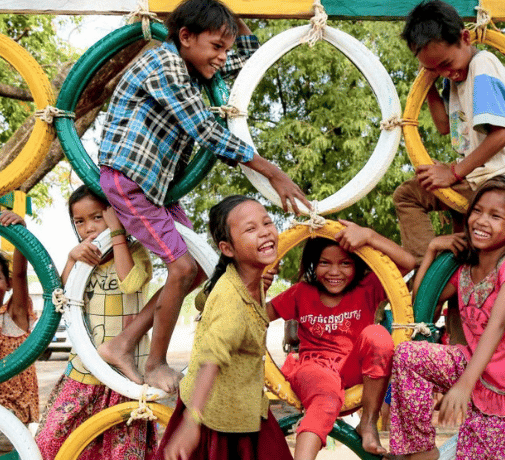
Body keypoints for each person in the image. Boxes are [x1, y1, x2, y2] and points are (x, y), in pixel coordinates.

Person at [96, 0, 309, 393]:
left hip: (155, 187)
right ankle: (156, 362)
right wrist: (273, 171)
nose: (222, 56)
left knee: (196, 268)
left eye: (223, 48)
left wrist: (229, 13)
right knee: (180, 267)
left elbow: (246, 52)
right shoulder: (166, 65)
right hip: (129, 179)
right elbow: (206, 130)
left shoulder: (194, 63)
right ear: (185, 37)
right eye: (215, 46)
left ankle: (123, 343)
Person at [389, 176, 505, 460]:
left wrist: (463, 386)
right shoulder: (465, 270)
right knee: (407, 355)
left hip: (503, 390)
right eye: (477, 211)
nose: (481, 221)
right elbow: (423, 307)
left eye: (495, 216)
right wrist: (433, 249)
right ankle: (421, 450)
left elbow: (496, 326)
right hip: (469, 365)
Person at [155, 195, 292, 460]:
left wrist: (261, 285)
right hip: (213, 417)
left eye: (267, 223)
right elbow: (211, 358)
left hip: (242, 407)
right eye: (250, 229)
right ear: (227, 249)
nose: (265, 233)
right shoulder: (231, 300)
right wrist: (192, 422)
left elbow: (201, 300)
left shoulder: (246, 279)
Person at [394, 0, 505, 265]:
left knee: (407, 196)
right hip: (477, 178)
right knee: (465, 259)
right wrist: (429, 84)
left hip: (500, 181)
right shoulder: (456, 77)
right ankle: (438, 278)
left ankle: (423, 265)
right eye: (433, 68)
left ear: (465, 38)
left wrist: (454, 173)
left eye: (446, 63)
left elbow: (501, 134)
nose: (445, 72)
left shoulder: (482, 66)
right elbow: (445, 127)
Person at [266, 221, 415, 459]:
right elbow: (257, 316)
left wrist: (369, 236)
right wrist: (259, 284)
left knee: (378, 335)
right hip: (313, 368)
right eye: (325, 263)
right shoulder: (302, 292)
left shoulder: (367, 289)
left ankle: (368, 422)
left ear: (357, 264)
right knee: (324, 397)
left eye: (345, 263)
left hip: (351, 368)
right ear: (314, 264)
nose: (335, 272)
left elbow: (408, 262)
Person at [35, 186, 157, 460]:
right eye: (80, 221)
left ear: (114, 215)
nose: (89, 228)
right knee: (50, 443)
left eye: (97, 217)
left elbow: (130, 283)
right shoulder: (80, 262)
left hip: (125, 376)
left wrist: (116, 236)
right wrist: (70, 258)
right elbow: (62, 299)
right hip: (83, 371)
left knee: (120, 453)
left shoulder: (136, 252)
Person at [0, 210, 38, 453]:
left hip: (11, 421)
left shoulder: (13, 316)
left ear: (8, 283)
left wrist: (20, 233)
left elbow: (22, 274)